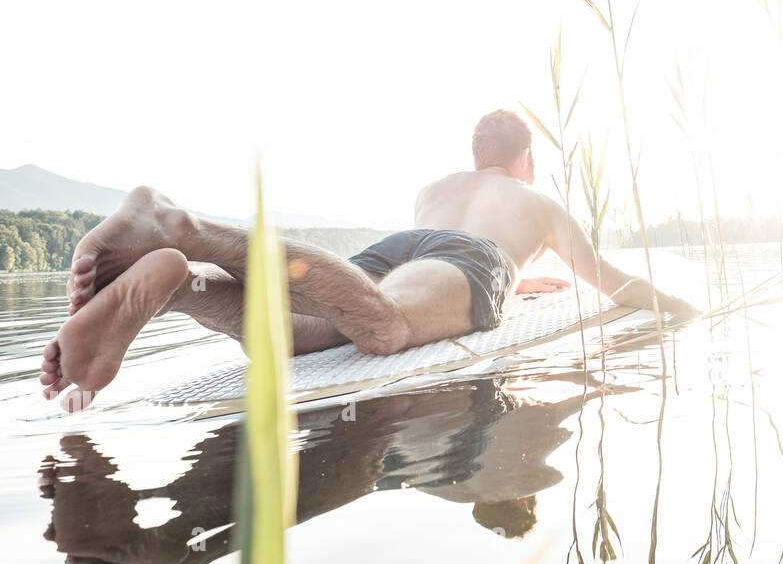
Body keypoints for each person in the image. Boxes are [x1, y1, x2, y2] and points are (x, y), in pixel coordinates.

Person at [39, 109, 698, 410]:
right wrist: (682, 307)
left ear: (478, 155)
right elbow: (612, 286)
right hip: (471, 262)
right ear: (525, 159)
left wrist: (518, 286)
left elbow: (417, 268)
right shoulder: (535, 199)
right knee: (385, 328)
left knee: (290, 339)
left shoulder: (434, 191)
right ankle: (184, 227)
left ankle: (183, 283)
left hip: (394, 253)